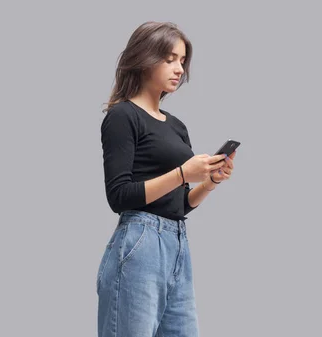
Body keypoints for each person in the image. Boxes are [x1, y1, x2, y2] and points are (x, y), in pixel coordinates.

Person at [95, 21, 237, 337]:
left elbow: (178, 203)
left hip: (176, 244)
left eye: (183, 61)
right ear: (145, 58)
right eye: (170, 59)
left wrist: (209, 182)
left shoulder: (176, 126)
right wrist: (183, 173)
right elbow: (119, 196)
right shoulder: (122, 116)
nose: (179, 69)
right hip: (140, 243)